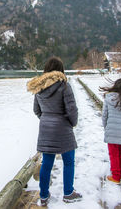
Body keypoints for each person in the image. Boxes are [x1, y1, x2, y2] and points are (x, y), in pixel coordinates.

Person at [27, 57, 82, 206]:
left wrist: (46, 120)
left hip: (46, 129)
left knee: (46, 163)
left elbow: (36, 110)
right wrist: (72, 123)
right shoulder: (64, 86)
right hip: (63, 128)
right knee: (69, 162)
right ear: (60, 70)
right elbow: (72, 110)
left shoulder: (38, 87)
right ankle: (68, 193)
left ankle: (44, 196)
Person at [100, 78, 121, 184]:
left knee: (113, 154)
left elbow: (104, 115)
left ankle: (115, 176)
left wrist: (106, 126)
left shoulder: (108, 99)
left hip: (111, 130)